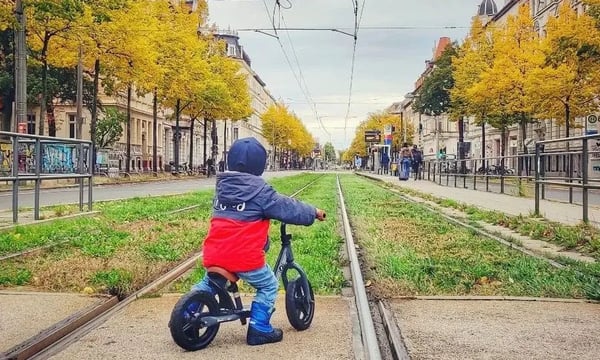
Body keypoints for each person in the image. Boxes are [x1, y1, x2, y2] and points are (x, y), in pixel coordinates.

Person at [192, 137, 326, 346]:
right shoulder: (261, 192)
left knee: (208, 283)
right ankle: (260, 328)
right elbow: (289, 207)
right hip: (244, 257)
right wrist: (313, 212)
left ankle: (187, 312)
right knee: (268, 285)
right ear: (260, 165)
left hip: (215, 253)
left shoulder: (221, 188)